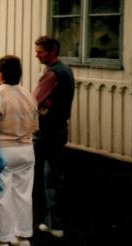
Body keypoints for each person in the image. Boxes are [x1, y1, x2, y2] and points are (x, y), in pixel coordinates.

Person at [0, 55, 39, 246]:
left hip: (2, 150)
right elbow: (35, 125)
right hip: (27, 149)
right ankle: (22, 237)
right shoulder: (28, 93)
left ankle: (2, 240)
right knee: (23, 194)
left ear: (0, 73)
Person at [33, 36, 75, 238]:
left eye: (40, 51)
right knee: (53, 176)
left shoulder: (51, 74)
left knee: (28, 171)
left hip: (46, 131)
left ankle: (28, 219)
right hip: (60, 129)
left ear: (51, 52)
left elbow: (33, 101)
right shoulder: (67, 70)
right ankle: (54, 222)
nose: (36, 54)